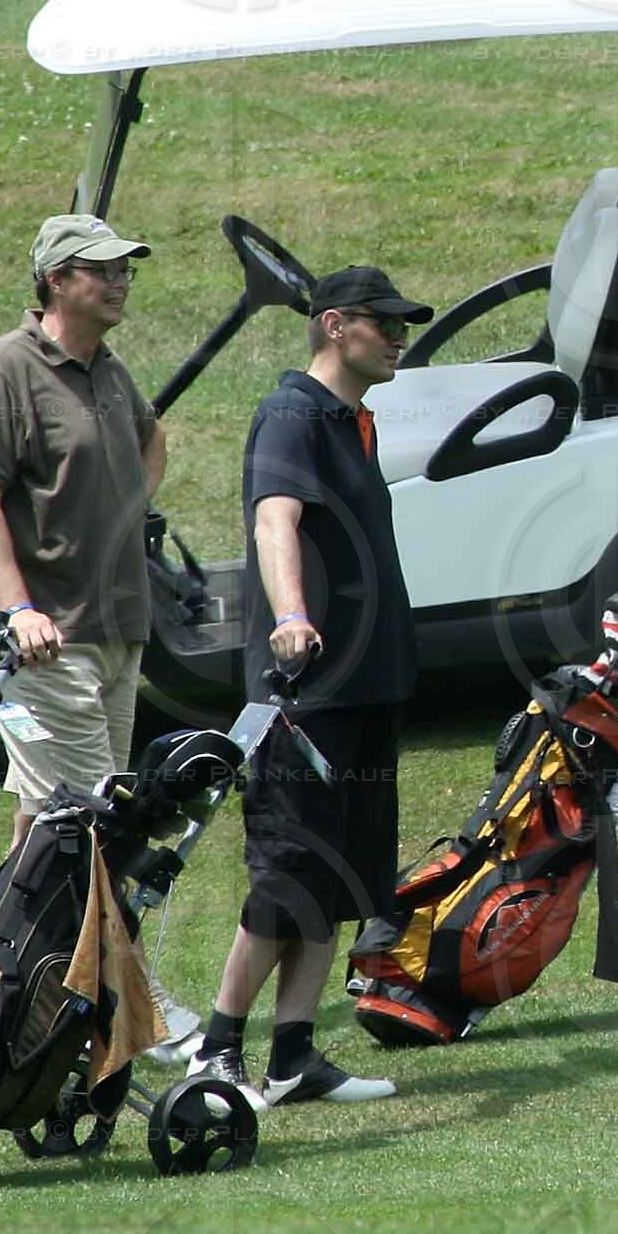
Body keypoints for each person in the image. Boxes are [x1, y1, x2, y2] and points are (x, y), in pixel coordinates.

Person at [187, 265, 432, 1108]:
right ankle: (217, 1049)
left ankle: (293, 1056)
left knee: (336, 876)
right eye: (383, 322)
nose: (398, 335)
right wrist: (290, 612)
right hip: (307, 694)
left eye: (402, 323)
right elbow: (273, 518)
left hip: (364, 689)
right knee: (287, 876)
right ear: (334, 325)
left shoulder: (353, 419)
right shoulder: (292, 413)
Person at [0, 212, 197, 1048]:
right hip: (45, 637)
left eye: (127, 268)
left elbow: (149, 438)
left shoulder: (106, 370)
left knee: (46, 822)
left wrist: (129, 512)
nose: (122, 281)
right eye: (103, 270)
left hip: (116, 627)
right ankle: (129, 1003)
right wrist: (19, 607)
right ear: (57, 279)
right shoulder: (8, 367)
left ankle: (5, 980)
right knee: (96, 822)